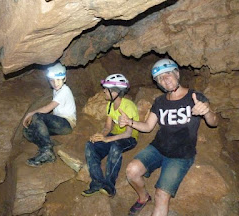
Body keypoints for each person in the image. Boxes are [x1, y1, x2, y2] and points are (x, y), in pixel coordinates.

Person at [118, 58, 218, 216]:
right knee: (132, 171)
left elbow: (214, 122)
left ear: (177, 73)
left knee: (161, 194)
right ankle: (143, 197)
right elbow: (148, 126)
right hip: (157, 148)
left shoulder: (195, 96)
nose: (165, 80)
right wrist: (129, 122)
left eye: (167, 75)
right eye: (160, 79)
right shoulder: (160, 102)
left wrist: (206, 111)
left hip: (181, 155)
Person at [81, 74, 139, 197]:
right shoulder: (110, 105)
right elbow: (108, 127)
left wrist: (108, 139)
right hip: (116, 135)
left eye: (106, 89)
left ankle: (109, 185)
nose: (104, 91)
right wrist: (100, 135)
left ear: (115, 92)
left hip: (129, 138)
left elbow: (128, 133)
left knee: (115, 147)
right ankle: (97, 182)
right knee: (90, 144)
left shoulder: (128, 106)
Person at [23, 62, 76, 167]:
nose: (55, 83)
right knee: (27, 132)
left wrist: (30, 113)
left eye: (58, 80)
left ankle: (47, 152)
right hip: (58, 123)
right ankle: (48, 144)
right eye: (52, 80)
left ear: (64, 79)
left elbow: (47, 109)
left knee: (37, 116)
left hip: (66, 123)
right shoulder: (57, 90)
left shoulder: (64, 90)